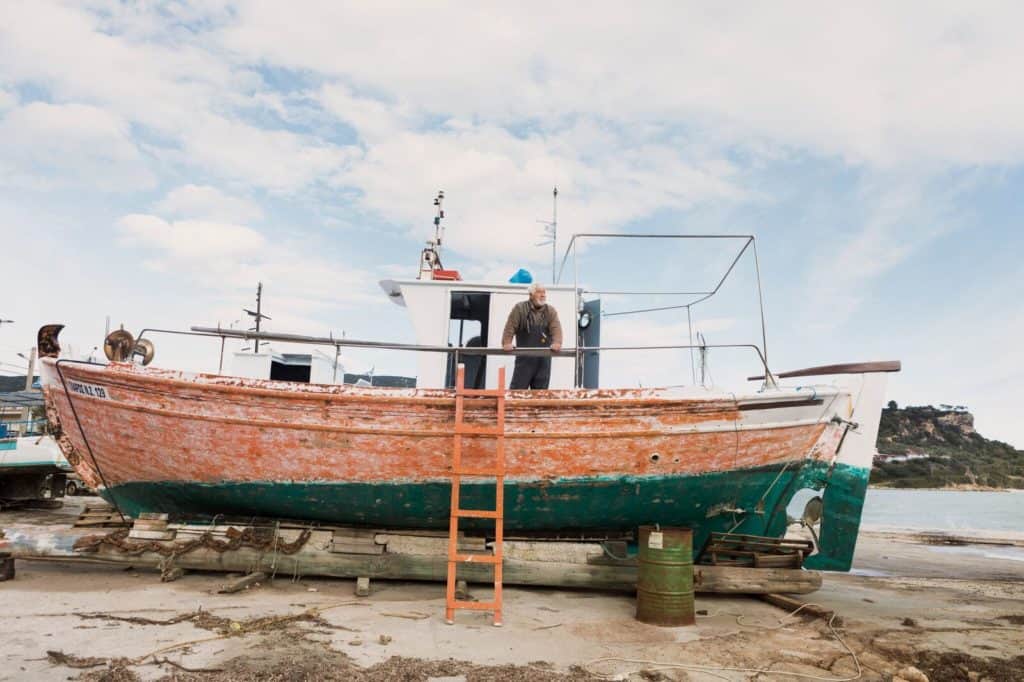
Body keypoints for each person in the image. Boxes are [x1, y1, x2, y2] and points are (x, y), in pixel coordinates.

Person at [501, 283, 563, 389]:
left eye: (544, 293)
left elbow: (556, 328)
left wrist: (557, 342)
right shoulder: (520, 308)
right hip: (525, 358)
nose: (543, 295)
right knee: (517, 391)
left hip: (543, 359)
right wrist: (506, 342)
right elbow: (510, 327)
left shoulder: (550, 311)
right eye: (539, 292)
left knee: (540, 395)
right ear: (531, 294)